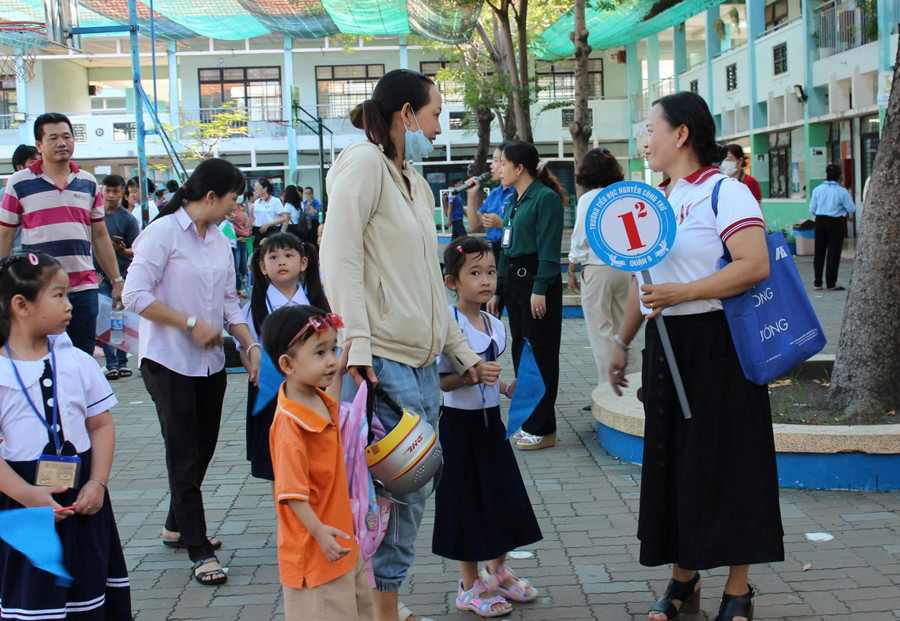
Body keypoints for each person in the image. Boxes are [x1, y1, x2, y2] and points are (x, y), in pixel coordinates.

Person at [320, 68, 490, 621]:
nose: (441, 125)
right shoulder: (363, 163)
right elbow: (339, 256)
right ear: (406, 115)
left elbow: (422, 279)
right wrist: (357, 343)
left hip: (419, 362)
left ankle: (378, 600)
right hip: (382, 360)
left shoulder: (412, 179)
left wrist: (460, 351)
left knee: (408, 488)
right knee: (401, 490)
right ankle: (380, 606)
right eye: (436, 113)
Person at [608, 91, 783, 621]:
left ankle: (738, 589)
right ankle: (683, 581)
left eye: (651, 129)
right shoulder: (654, 199)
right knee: (673, 463)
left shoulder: (724, 193)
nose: (645, 140)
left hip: (719, 344)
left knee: (729, 461)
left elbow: (754, 265)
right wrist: (621, 341)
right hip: (667, 346)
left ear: (681, 134)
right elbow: (647, 280)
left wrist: (684, 294)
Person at [122, 158, 262, 586]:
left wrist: (248, 341)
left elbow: (228, 304)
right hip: (168, 362)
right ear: (210, 197)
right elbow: (133, 295)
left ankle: (175, 524)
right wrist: (188, 323)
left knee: (201, 450)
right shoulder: (161, 234)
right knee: (183, 455)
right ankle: (199, 551)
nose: (237, 211)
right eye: (234, 201)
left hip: (211, 363)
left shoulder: (219, 240)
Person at [0, 251, 131, 619]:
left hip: (83, 498)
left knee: (89, 595)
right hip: (22, 504)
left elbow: (101, 425)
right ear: (21, 305)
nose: (69, 305)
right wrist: (29, 496)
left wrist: (98, 483)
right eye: (58, 295)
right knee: (31, 599)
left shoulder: (79, 361)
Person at [433, 237, 542, 618]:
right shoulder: (448, 323)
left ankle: (497, 571)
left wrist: (509, 386)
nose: (485, 280)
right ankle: (467, 585)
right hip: (458, 428)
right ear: (452, 282)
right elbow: (440, 382)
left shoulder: (496, 324)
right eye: (474, 273)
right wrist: (469, 378)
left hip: (491, 426)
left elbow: (491, 376)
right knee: (465, 502)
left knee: (501, 495)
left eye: (491, 272)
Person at [263, 305, 374, 620]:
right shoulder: (289, 425)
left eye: (333, 349)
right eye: (319, 352)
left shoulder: (317, 398)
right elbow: (291, 494)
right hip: (316, 554)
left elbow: (334, 409)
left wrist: (338, 371)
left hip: (341, 544)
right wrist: (320, 534)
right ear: (287, 364)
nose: (329, 359)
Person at [0, 113, 124, 355]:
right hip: (39, 289)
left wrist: (117, 280)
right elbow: (5, 236)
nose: (62, 143)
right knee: (42, 356)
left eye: (67, 136)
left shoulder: (88, 182)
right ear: (39, 145)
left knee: (81, 355)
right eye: (53, 137)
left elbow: (99, 236)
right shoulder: (18, 183)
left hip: (84, 288)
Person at [486, 141, 565, 452]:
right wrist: (498, 291)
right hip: (516, 283)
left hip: (535, 282)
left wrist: (540, 288)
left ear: (520, 168)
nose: (498, 168)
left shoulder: (545, 199)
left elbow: (548, 250)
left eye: (503, 163)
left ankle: (544, 428)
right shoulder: (513, 201)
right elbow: (505, 250)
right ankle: (531, 422)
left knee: (540, 355)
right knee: (521, 353)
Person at [241, 232, 328, 483]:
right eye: (274, 257)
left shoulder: (317, 302)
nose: (281, 262)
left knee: (313, 455)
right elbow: (245, 346)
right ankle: (286, 516)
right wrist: (253, 369)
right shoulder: (254, 307)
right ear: (262, 266)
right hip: (270, 393)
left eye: (289, 255)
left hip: (313, 391)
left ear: (303, 262)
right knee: (276, 461)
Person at [567, 148, 634, 390]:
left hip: (597, 269)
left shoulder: (588, 199)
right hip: (624, 269)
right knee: (625, 330)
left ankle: (608, 389)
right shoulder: (623, 195)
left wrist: (572, 267)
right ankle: (634, 385)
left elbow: (580, 238)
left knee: (601, 332)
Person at [96, 174, 140, 380]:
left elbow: (136, 250)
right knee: (103, 317)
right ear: (101, 191)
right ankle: (111, 363)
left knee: (119, 317)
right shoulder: (94, 216)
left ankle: (122, 361)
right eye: (108, 191)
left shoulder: (128, 219)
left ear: (123, 193)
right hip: (98, 276)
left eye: (116, 191)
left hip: (121, 275)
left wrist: (123, 251)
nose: (111, 195)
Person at [809, 163, 855, 291]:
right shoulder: (842, 191)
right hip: (835, 222)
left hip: (820, 221)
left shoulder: (817, 190)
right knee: (833, 253)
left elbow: (812, 209)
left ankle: (817, 282)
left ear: (826, 175)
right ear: (839, 176)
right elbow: (851, 208)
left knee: (819, 252)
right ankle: (831, 283)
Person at [469, 145, 515, 266]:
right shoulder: (495, 193)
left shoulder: (517, 193)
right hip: (496, 249)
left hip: (513, 249)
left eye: (495, 161)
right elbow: (474, 225)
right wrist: (471, 195)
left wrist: (500, 223)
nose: (491, 166)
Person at [0, 144, 39, 253]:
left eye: (40, 160)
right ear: (20, 167)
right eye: (33, 161)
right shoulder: (6, 193)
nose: (39, 165)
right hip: (20, 253)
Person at [229, 195, 251, 297]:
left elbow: (248, 223)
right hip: (235, 239)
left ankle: (239, 289)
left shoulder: (243, 207)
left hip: (245, 239)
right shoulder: (230, 206)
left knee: (243, 266)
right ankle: (234, 290)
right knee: (235, 266)